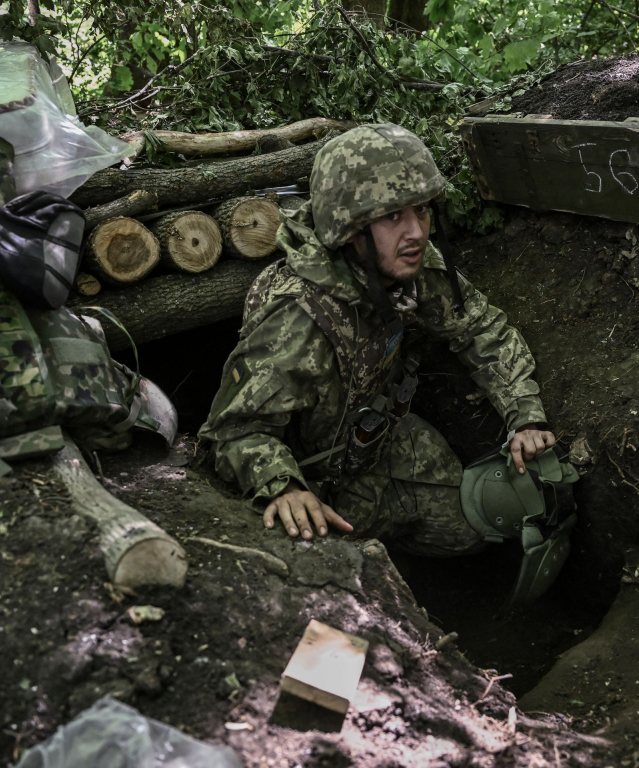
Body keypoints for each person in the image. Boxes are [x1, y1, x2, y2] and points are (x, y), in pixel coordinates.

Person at [198, 123, 576, 600]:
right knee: (324, 585)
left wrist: (525, 415)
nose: (416, 232)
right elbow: (233, 430)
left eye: (421, 210)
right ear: (349, 231)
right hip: (311, 481)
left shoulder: (407, 268)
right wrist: (283, 487)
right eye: (393, 216)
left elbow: (482, 329)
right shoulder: (297, 318)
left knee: (479, 526)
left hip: (377, 443)